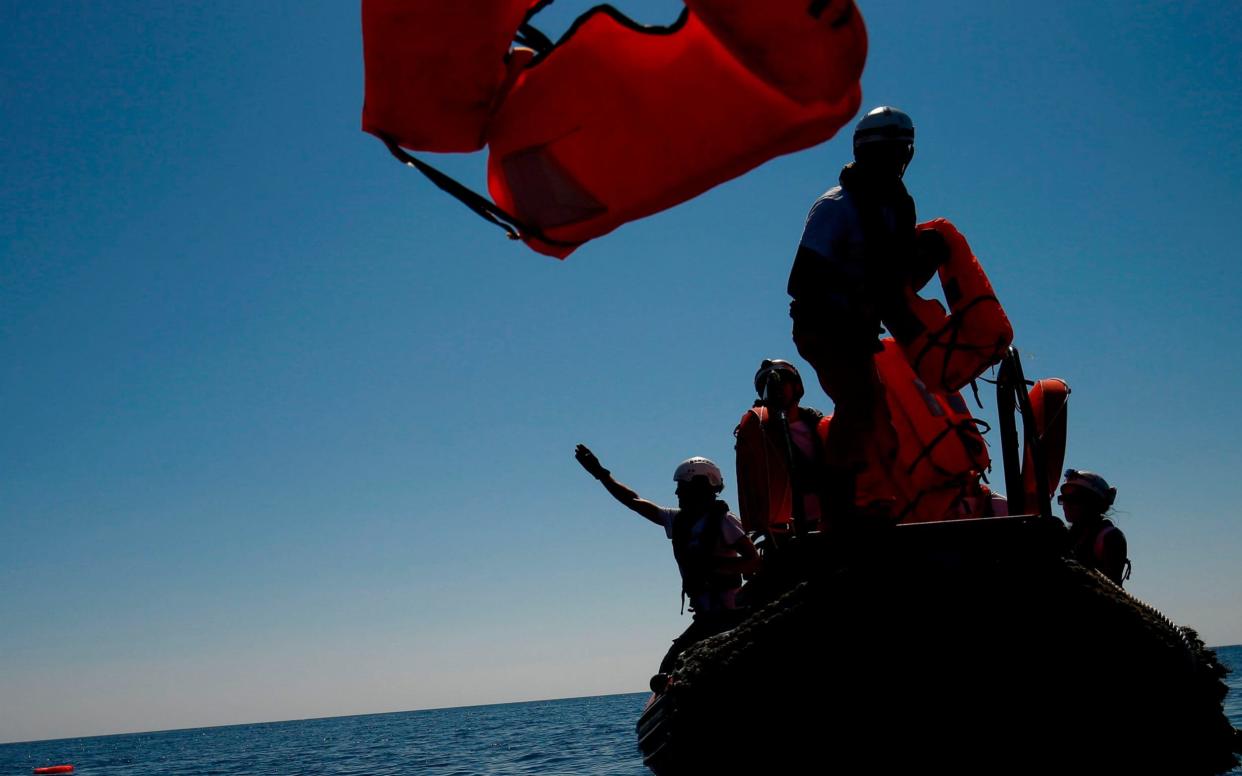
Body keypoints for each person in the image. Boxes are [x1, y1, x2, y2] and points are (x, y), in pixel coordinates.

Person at [786, 105, 939, 522]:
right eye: (892, 151)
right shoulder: (836, 206)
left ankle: (871, 496)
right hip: (823, 326)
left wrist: (929, 257)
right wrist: (855, 301)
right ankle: (838, 509)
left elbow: (896, 288)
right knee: (859, 403)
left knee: (877, 413)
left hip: (856, 331)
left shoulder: (895, 209)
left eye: (902, 151)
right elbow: (801, 281)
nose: (899, 160)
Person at [574, 444, 760, 674]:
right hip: (706, 618)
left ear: (701, 486)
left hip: (730, 615)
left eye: (682, 486)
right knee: (667, 670)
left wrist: (713, 567)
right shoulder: (677, 520)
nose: (677, 493)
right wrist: (601, 474)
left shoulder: (724, 521)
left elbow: (753, 561)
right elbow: (634, 501)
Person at [734, 358, 832, 544]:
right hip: (787, 534)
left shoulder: (819, 425)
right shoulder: (760, 432)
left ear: (797, 386)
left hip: (830, 524)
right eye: (766, 384)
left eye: (782, 380)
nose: (775, 387)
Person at [1059, 469, 1130, 585]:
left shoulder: (1110, 538)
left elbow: (1112, 588)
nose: (1066, 505)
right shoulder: (1066, 536)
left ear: (1093, 503)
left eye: (1073, 500)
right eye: (1063, 499)